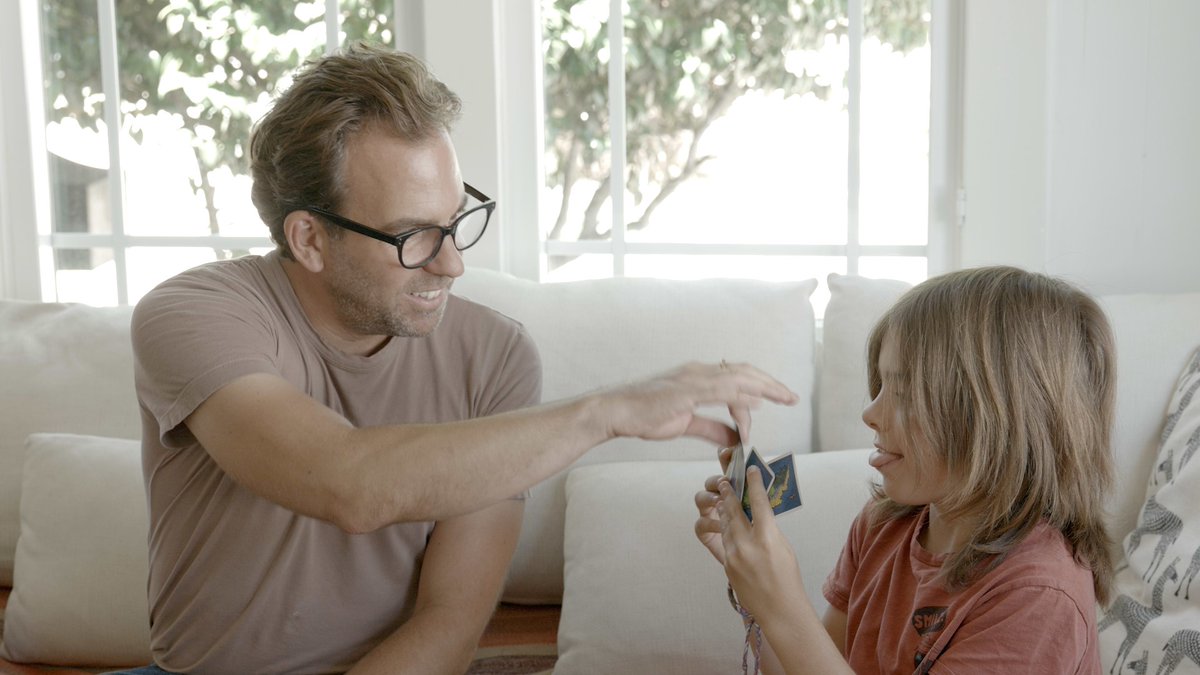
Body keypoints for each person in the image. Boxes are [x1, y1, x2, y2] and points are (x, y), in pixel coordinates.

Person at [124, 42, 796, 675]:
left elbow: (450, 618)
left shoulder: (496, 356)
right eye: (414, 236)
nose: (453, 262)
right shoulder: (195, 315)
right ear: (309, 238)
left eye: (456, 220)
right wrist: (607, 411)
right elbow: (347, 483)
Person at [694, 266, 1115, 674]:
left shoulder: (1038, 595)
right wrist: (753, 586)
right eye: (880, 387)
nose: (870, 413)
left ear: (998, 417)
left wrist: (781, 601)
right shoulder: (881, 528)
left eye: (906, 391)